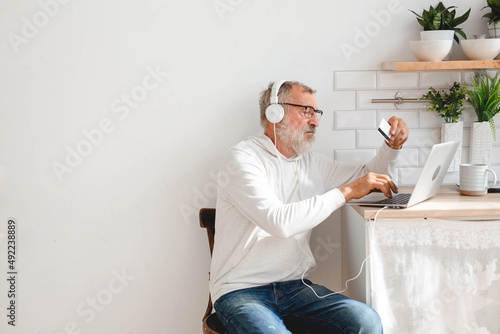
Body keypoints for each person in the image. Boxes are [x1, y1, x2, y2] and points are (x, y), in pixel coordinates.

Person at [209, 80, 408, 334]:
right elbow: (280, 223)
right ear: (275, 112)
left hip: (294, 289)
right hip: (240, 291)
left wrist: (393, 147)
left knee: (366, 321)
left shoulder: (311, 163)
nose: (315, 121)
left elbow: (370, 177)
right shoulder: (242, 159)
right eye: (306, 111)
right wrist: (347, 192)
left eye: (316, 113)